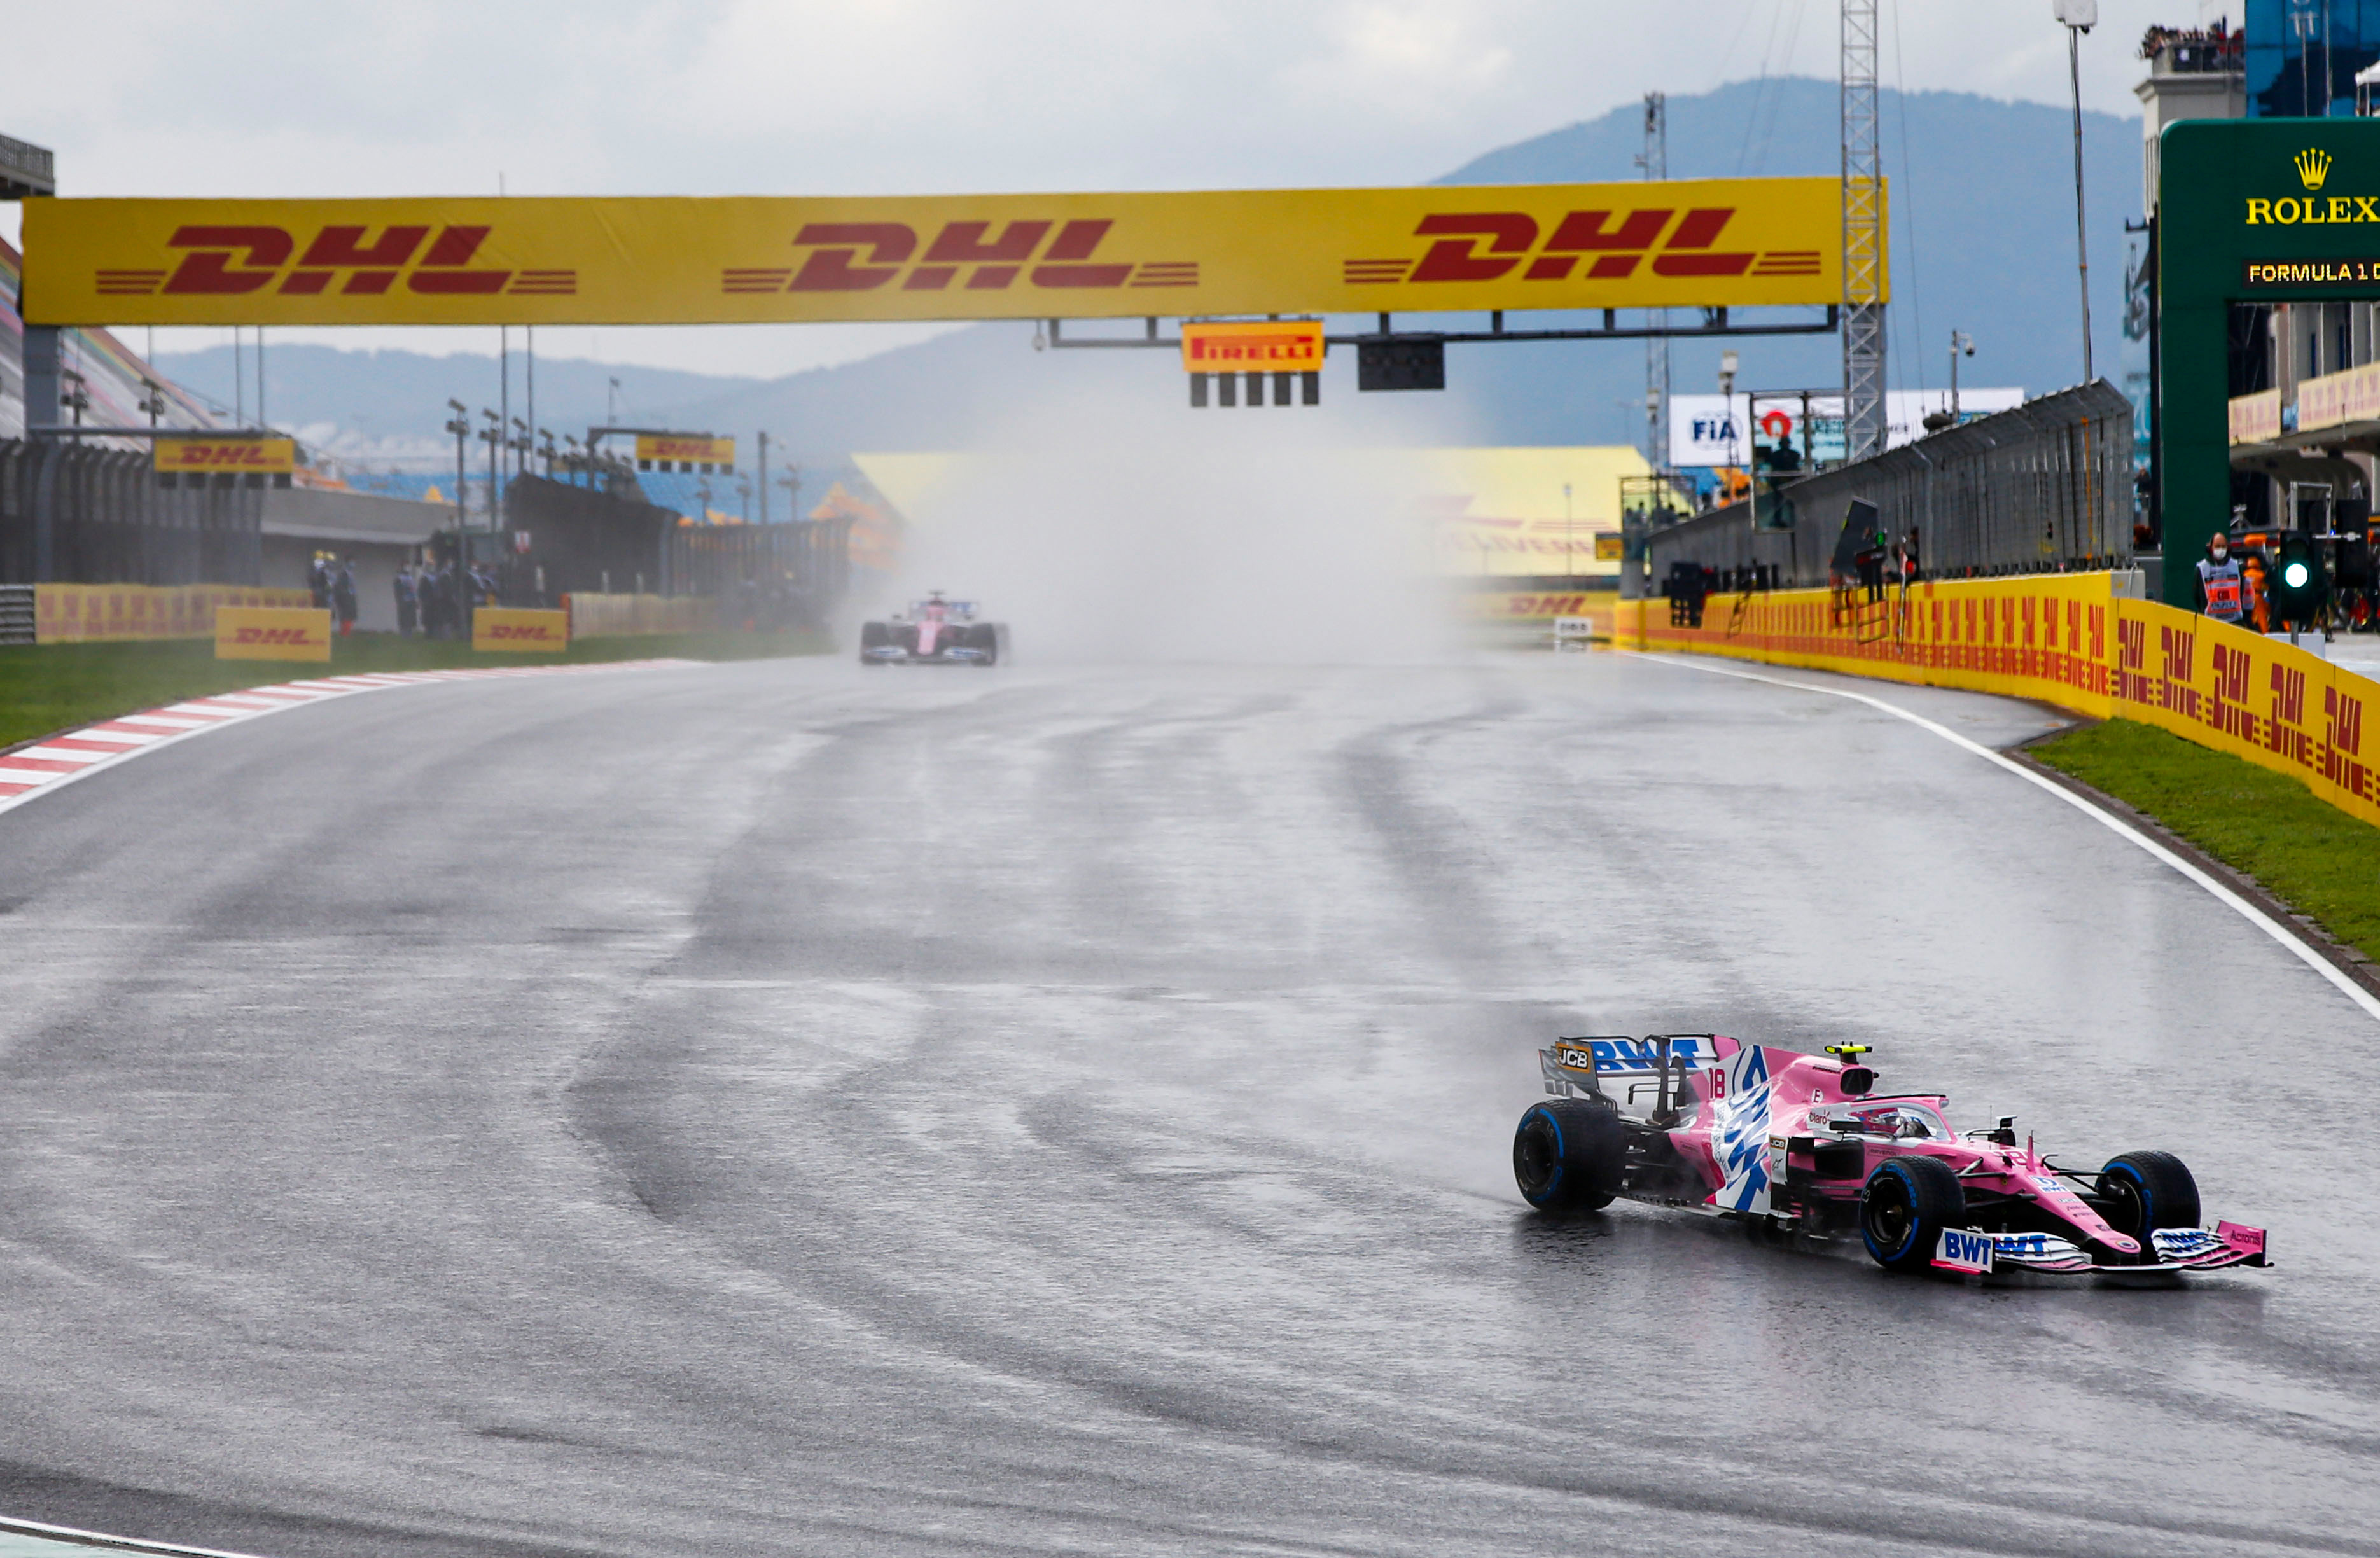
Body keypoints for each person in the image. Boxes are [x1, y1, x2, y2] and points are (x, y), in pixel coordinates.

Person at [2195, 531, 2246, 625]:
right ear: (2211, 548)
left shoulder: (2236, 566)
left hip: (2235, 622)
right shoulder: (2202, 568)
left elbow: (2241, 590)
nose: (2221, 550)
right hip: (2211, 622)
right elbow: (2197, 596)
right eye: (2218, 546)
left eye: (2223, 546)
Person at [331, 557, 359, 637]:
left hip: (351, 597)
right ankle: (344, 633)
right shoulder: (343, 574)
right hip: (345, 598)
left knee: (351, 615)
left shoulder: (351, 574)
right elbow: (339, 587)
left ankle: (348, 632)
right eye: (351, 562)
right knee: (346, 615)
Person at [394, 566, 418, 637]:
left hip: (403, 602)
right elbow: (414, 591)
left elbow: (397, 592)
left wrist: (399, 601)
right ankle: (410, 634)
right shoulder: (411, 579)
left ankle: (404, 635)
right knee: (410, 619)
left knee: (403, 619)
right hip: (411, 601)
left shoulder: (398, 580)